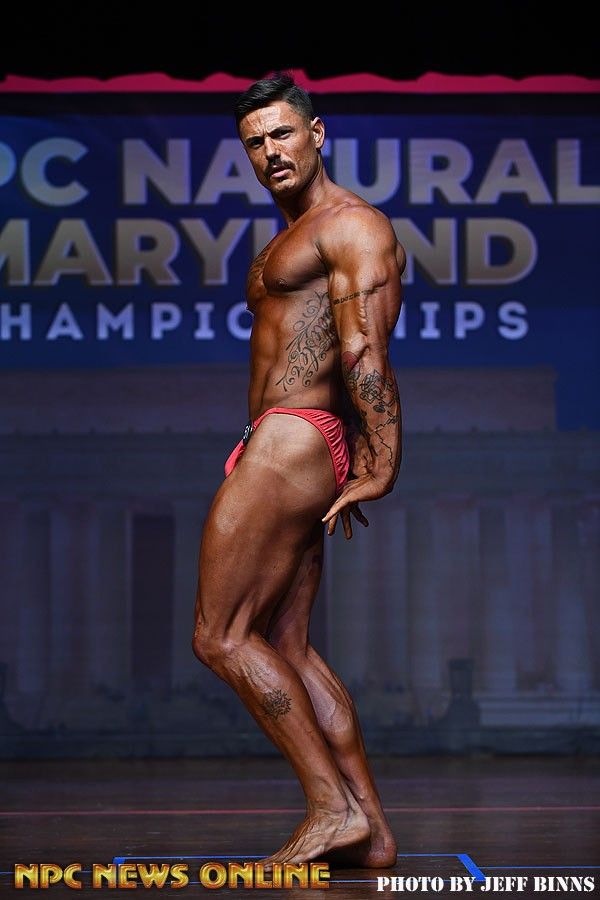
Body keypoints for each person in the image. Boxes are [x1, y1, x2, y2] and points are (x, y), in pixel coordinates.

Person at [192, 72, 405, 869]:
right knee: (287, 641)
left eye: (283, 133)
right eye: (255, 142)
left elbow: (362, 347)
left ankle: (329, 808)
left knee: (220, 636)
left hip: (293, 439)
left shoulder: (350, 225)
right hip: (289, 440)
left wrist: (383, 458)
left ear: (318, 134)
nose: (270, 151)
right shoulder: (300, 231)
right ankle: (372, 829)